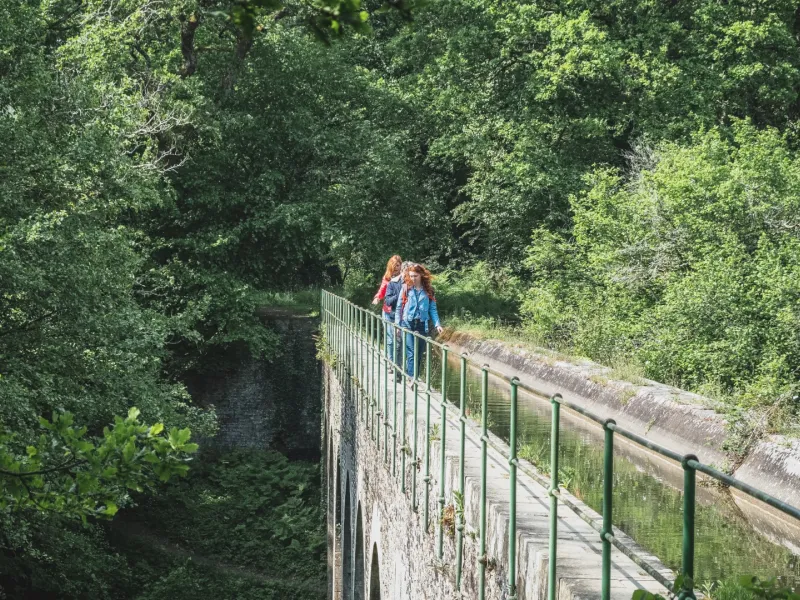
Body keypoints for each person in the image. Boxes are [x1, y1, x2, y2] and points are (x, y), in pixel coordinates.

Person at [395, 264, 443, 378]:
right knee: (411, 352)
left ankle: (412, 375)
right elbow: (398, 308)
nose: (413, 278)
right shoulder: (406, 288)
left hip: (422, 325)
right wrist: (397, 325)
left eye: (415, 276)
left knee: (418, 354)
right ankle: (412, 379)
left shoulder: (429, 291)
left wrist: (437, 324)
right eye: (411, 276)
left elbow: (432, 309)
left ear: (421, 275)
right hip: (407, 323)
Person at [382, 261, 413, 370]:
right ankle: (393, 365)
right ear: (403, 271)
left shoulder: (413, 285)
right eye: (407, 272)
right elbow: (388, 301)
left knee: (406, 345)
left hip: (407, 318)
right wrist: (399, 294)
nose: (409, 275)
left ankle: (403, 369)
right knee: (394, 342)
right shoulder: (393, 283)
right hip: (392, 315)